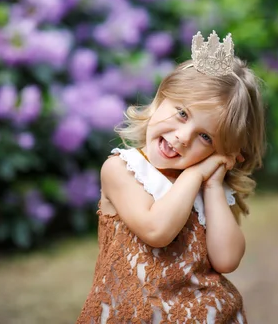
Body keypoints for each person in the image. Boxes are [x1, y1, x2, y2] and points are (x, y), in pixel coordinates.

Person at [77, 31, 266, 323]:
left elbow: (227, 260)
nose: (182, 137)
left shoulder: (207, 186)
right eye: (182, 113)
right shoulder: (122, 169)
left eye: (205, 137)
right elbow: (156, 230)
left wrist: (213, 184)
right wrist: (198, 173)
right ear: (160, 97)